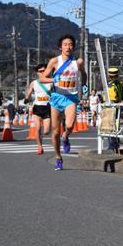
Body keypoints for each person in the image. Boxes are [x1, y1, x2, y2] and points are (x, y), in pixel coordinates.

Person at [39, 34, 87, 171]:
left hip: (71, 97)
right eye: (65, 44)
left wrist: (84, 85)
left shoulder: (78, 62)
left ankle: (65, 136)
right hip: (56, 97)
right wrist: (52, 80)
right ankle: (58, 157)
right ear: (60, 47)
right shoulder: (55, 61)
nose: (68, 47)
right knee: (54, 133)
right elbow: (43, 78)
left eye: (71, 44)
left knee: (70, 125)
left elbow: (83, 74)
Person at [24, 64, 53, 155]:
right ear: (37, 73)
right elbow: (28, 93)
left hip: (47, 107)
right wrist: (26, 98)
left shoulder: (51, 82)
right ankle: (39, 146)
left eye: (44, 70)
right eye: (40, 71)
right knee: (37, 128)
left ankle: (42, 139)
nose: (43, 72)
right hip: (37, 107)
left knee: (46, 131)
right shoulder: (34, 83)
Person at [106, 67, 123, 151]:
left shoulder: (109, 85)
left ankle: (112, 145)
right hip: (117, 106)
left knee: (111, 128)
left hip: (111, 107)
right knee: (115, 127)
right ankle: (115, 144)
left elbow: (111, 98)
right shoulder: (119, 84)